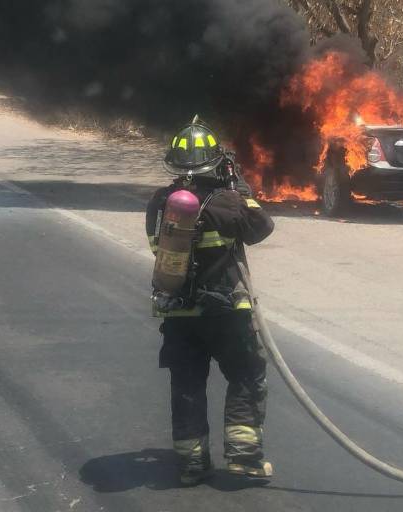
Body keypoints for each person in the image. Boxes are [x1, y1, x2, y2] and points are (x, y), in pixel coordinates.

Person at [145, 116, 275, 485]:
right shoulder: (227, 201)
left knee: (187, 384)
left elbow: (158, 248)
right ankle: (244, 457)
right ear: (215, 162)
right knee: (246, 375)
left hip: (178, 312)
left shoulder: (160, 203)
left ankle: (192, 464)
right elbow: (261, 228)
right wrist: (241, 185)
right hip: (225, 312)